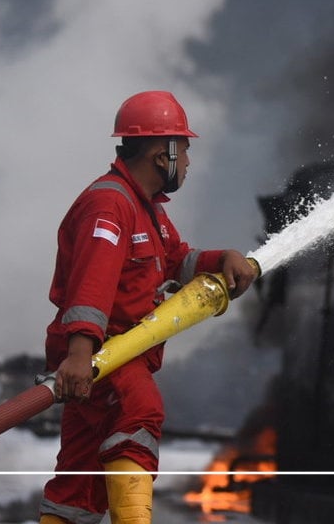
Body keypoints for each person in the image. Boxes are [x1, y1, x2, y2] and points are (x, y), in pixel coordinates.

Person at [38, 91, 259, 524]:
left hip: (105, 357)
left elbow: (176, 258)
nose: (190, 163)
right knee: (140, 414)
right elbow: (92, 284)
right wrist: (82, 356)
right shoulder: (111, 204)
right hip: (107, 356)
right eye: (187, 151)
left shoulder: (145, 210)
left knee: (78, 486)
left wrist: (221, 259)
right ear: (164, 153)